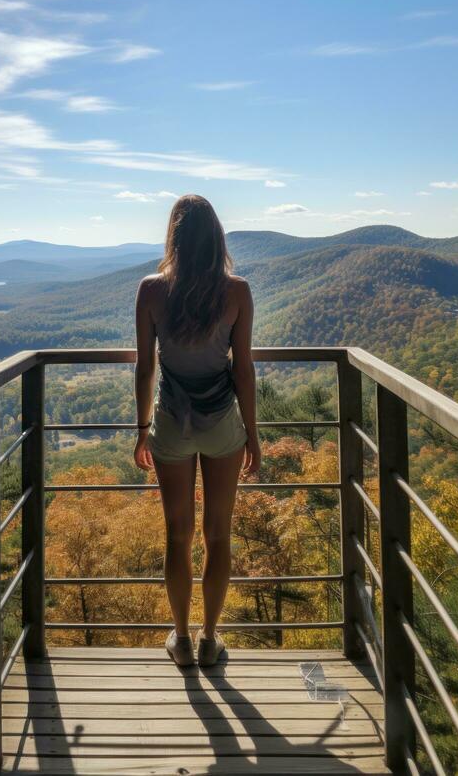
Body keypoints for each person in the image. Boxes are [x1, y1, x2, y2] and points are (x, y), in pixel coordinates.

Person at [133, 194, 261, 668]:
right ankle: (211, 639)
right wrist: (254, 433)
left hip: (170, 423)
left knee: (177, 534)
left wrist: (141, 428)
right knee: (219, 535)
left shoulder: (150, 290)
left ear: (175, 238)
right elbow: (243, 370)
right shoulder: (238, 292)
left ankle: (182, 640)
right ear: (217, 237)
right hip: (223, 422)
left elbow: (146, 368)